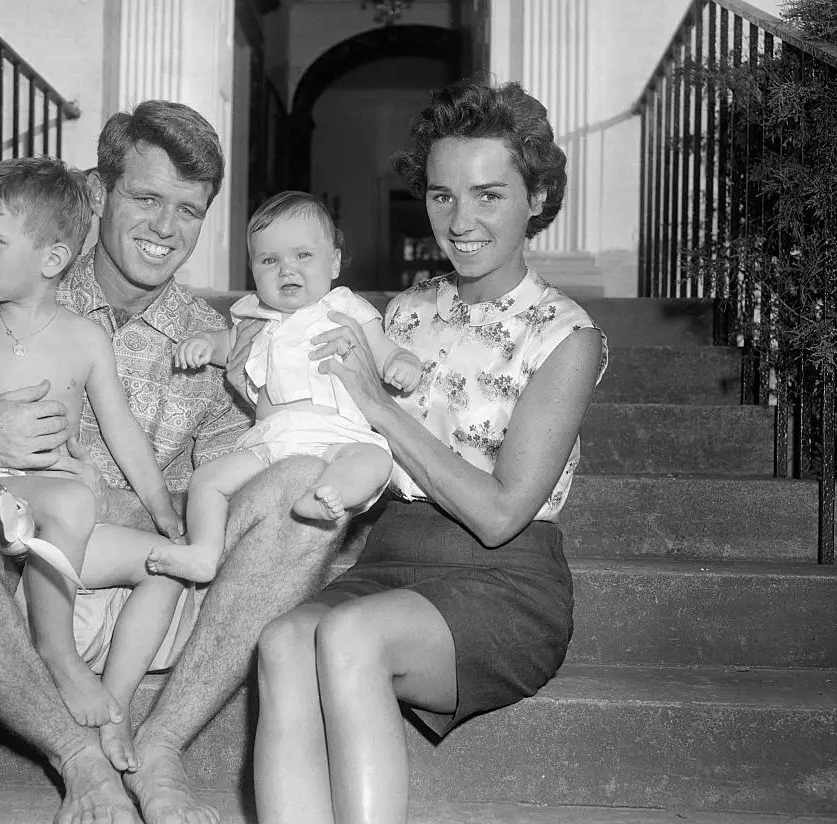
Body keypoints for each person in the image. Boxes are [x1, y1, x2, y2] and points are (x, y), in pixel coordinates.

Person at [0, 100, 349, 824]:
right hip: (9, 567)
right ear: (98, 192)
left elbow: (223, 501)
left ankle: (161, 744)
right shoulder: (0, 288)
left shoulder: (222, 342)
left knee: (304, 488)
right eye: (147, 198)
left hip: (140, 588)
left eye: (188, 209)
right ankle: (77, 754)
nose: (165, 228)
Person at [252, 79, 609, 824]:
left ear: (537, 197)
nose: (461, 219)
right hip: (391, 558)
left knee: (348, 636)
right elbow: (330, 427)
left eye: (488, 194)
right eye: (442, 196)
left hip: (502, 582)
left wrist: (379, 405)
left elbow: (500, 512)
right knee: (285, 641)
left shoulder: (564, 337)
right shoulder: (406, 312)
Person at [0, 155, 190, 762]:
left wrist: (163, 507)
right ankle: (57, 654)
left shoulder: (85, 338)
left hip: (55, 526)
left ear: (53, 259)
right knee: (74, 497)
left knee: (169, 565)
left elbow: (122, 429)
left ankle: (116, 703)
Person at [152, 191, 422, 582]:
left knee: (375, 462)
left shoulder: (347, 311)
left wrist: (402, 363)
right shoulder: (254, 317)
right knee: (206, 480)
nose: (286, 270)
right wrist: (205, 344)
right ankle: (203, 552)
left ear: (333, 262)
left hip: (338, 437)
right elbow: (226, 346)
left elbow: (383, 350)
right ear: (253, 270)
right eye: (269, 260)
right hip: (271, 443)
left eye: (303, 256)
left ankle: (330, 495)